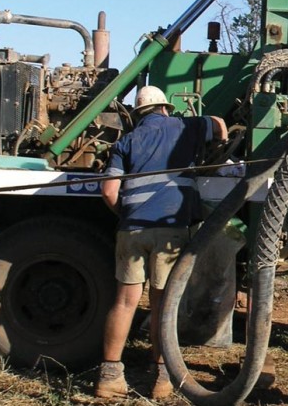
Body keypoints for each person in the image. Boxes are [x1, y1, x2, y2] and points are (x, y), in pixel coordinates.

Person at [95, 85, 228, 400]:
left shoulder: (125, 142)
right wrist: (218, 143)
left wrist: (129, 214)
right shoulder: (185, 126)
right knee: (161, 306)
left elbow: (109, 192)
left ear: (138, 114)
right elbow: (220, 124)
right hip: (170, 229)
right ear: (166, 108)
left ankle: (109, 376)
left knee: (124, 303)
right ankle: (162, 380)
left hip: (132, 230)